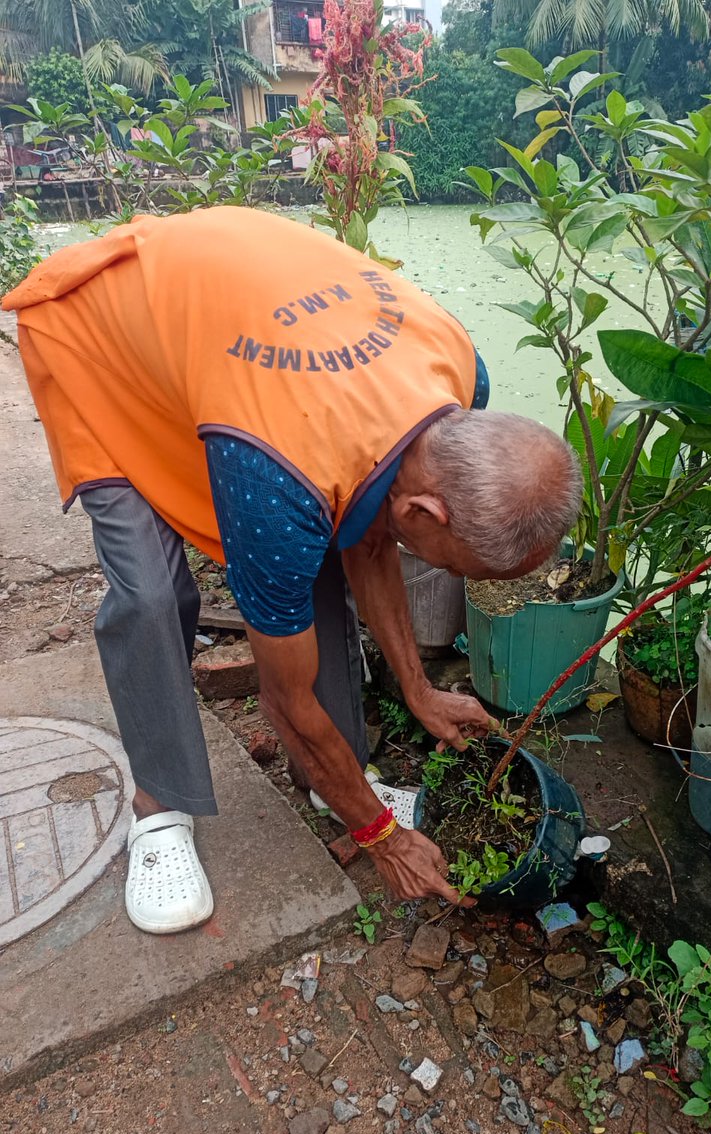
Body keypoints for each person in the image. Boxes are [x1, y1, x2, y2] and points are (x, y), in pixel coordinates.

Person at [2, 206, 582, 935]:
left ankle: (328, 778)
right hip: (102, 344)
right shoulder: (280, 481)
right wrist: (383, 839)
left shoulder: (458, 376)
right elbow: (282, 698)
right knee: (153, 592)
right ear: (428, 515)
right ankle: (157, 808)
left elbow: (371, 535)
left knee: (318, 545)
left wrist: (418, 689)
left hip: (221, 352)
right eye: (455, 566)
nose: (445, 574)